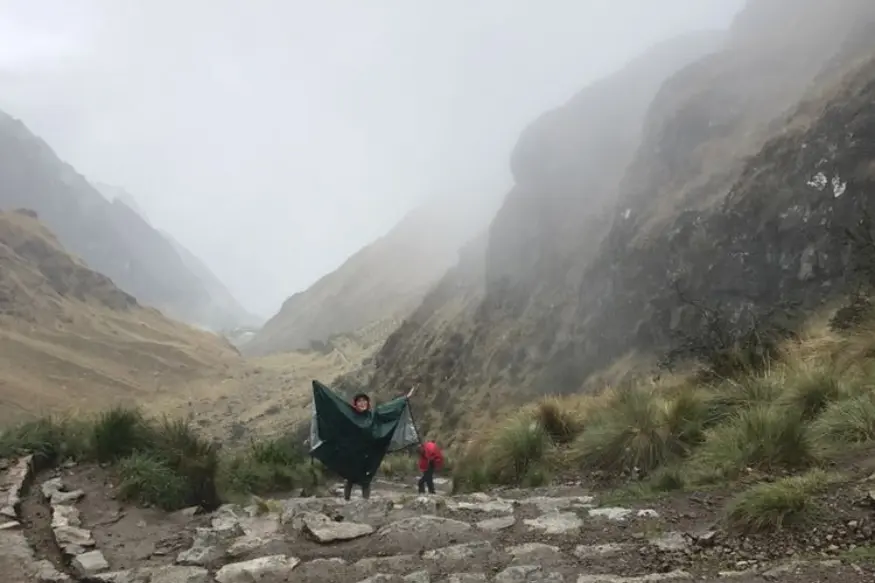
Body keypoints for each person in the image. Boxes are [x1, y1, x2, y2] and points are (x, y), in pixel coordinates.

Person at [343, 392, 374, 501]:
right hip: (352, 453)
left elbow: (388, 410)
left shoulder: (372, 416)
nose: (362, 403)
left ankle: (366, 503)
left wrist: (404, 399)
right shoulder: (350, 416)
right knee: (349, 478)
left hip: (367, 453)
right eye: (359, 401)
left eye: (364, 400)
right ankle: (346, 502)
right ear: (355, 404)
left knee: (366, 480)